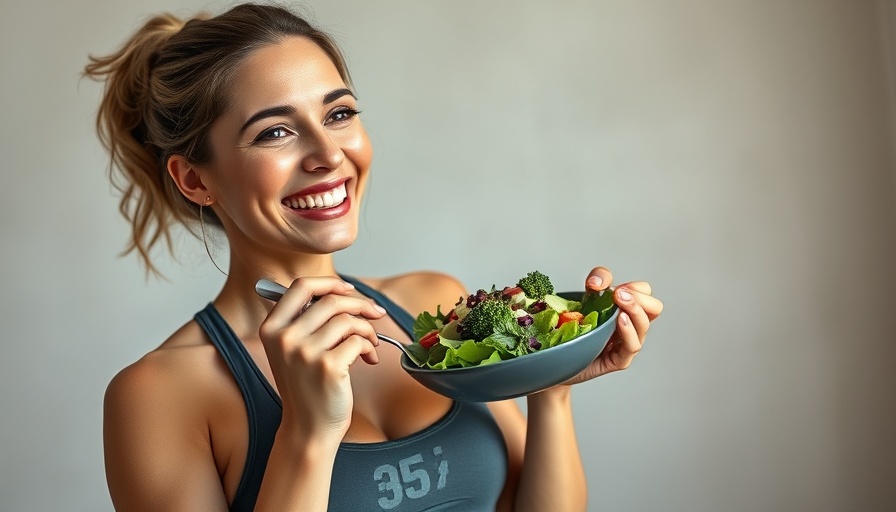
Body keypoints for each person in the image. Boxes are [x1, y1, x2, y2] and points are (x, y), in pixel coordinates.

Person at [85, 3, 663, 511]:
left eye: (338, 114)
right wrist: (309, 434)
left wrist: (549, 381)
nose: (328, 155)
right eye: (276, 133)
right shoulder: (158, 396)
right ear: (193, 179)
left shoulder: (431, 303)